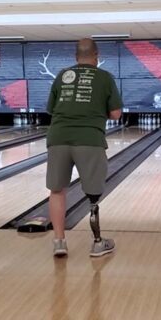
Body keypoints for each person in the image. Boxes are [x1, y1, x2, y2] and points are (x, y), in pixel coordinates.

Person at [46, 38, 122, 258]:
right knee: (93, 194)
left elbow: (51, 110)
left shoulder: (62, 75)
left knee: (57, 190)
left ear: (75, 57)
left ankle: (59, 242)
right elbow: (116, 113)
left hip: (58, 137)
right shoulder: (104, 77)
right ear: (97, 56)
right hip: (89, 139)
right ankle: (98, 242)